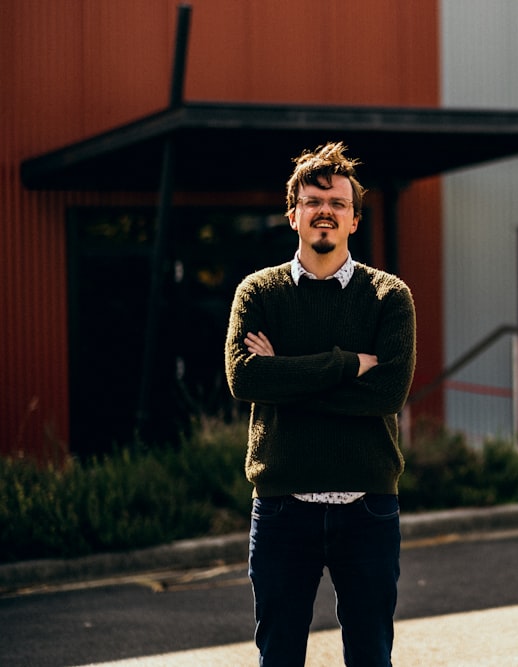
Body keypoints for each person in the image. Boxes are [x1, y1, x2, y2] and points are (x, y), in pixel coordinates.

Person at [224, 141, 416, 667]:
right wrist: (345, 363)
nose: (324, 211)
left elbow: (388, 392)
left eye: (337, 203)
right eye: (313, 201)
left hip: (369, 508)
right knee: (279, 656)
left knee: (371, 656)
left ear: (354, 219)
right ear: (293, 215)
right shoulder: (258, 293)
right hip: (283, 509)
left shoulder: (388, 297)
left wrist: (285, 377)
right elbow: (245, 379)